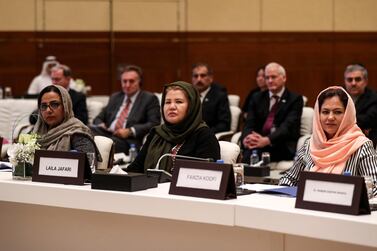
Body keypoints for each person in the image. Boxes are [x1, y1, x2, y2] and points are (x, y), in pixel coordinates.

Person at [279, 87, 377, 195]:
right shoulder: (309, 144)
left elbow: (373, 188)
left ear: (348, 115)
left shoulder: (362, 146)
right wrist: (280, 195)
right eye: (325, 112)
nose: (330, 117)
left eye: (337, 112)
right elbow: (290, 178)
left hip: (344, 210)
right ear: (318, 115)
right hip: (308, 207)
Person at [127, 81, 220, 174]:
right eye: (167, 102)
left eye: (179, 102)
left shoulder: (204, 136)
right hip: (149, 187)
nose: (171, 107)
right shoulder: (157, 133)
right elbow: (135, 168)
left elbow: (207, 178)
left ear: (191, 106)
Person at [241, 62, 303, 163]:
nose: (269, 81)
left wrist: (267, 140)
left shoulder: (295, 99)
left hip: (281, 144)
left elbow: (287, 127)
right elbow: (249, 123)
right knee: (248, 155)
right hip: (258, 143)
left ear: (284, 78)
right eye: (267, 77)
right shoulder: (257, 97)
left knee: (253, 156)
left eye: (273, 77)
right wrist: (247, 138)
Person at [91, 65, 160, 153]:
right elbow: (98, 118)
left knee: (107, 143)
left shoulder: (149, 98)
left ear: (139, 82)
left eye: (131, 81)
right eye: (124, 81)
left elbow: (154, 123)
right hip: (107, 133)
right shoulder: (115, 97)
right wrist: (100, 124)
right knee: (86, 131)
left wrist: (130, 131)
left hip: (127, 141)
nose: (127, 85)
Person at [33, 85, 100, 160]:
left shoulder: (78, 133)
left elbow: (88, 166)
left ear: (66, 106)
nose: (48, 110)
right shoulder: (36, 132)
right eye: (44, 106)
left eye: (54, 104)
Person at [191, 63, 231, 134]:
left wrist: (205, 133)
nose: (199, 79)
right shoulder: (187, 95)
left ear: (211, 78)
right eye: (195, 76)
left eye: (203, 76)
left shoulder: (220, 96)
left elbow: (224, 124)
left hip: (208, 135)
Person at [344, 64, 377, 147]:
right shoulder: (338, 96)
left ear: (365, 81)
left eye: (358, 79)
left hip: (365, 141)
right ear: (345, 81)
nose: (353, 83)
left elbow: (369, 119)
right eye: (349, 80)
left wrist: (343, 120)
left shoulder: (374, 98)